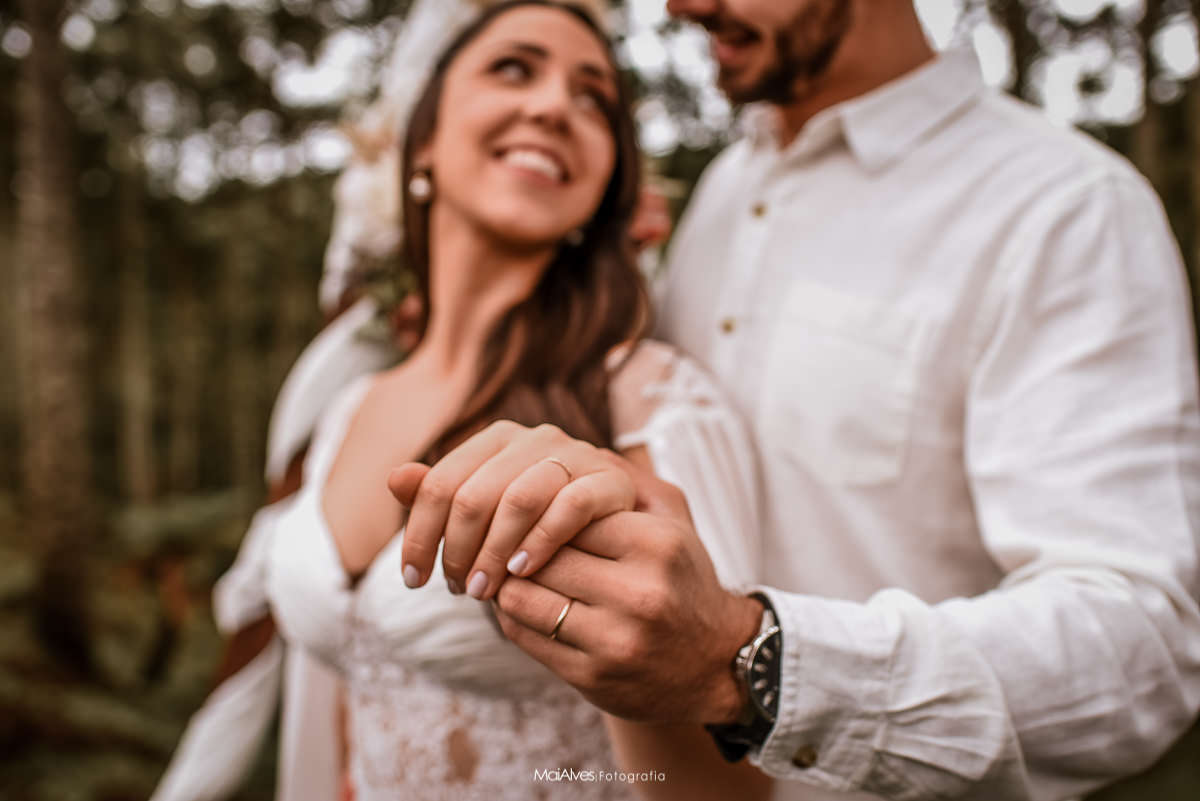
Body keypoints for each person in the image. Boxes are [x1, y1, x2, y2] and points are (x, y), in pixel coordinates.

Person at [388, 1, 1200, 799]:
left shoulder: (1061, 206)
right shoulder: (723, 192)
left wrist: (748, 659)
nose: (685, 7)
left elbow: (1143, 644)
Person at [263, 2, 770, 799]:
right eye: (513, 68)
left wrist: (652, 659)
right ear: (422, 141)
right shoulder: (349, 405)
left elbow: (731, 794)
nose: (553, 106)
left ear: (605, 181)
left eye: (593, 98)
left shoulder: (654, 402)